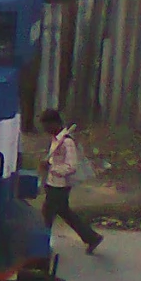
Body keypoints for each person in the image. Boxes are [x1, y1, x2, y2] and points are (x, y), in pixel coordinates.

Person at [37, 108, 102, 253]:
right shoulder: (56, 140)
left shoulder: (67, 143)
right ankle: (92, 237)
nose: (45, 130)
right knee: (65, 213)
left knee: (47, 215)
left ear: (54, 123)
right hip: (52, 183)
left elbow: (72, 167)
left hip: (60, 186)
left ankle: (40, 245)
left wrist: (51, 168)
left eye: (47, 126)